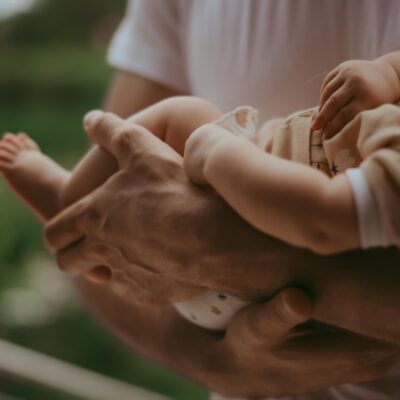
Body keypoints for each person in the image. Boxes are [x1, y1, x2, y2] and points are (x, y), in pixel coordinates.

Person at [13, 1, 400, 399]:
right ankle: (79, 208)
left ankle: (73, 205)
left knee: (188, 117)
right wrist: (387, 72)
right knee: (163, 137)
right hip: (218, 293)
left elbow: (323, 221)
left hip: (236, 282)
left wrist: (219, 159)